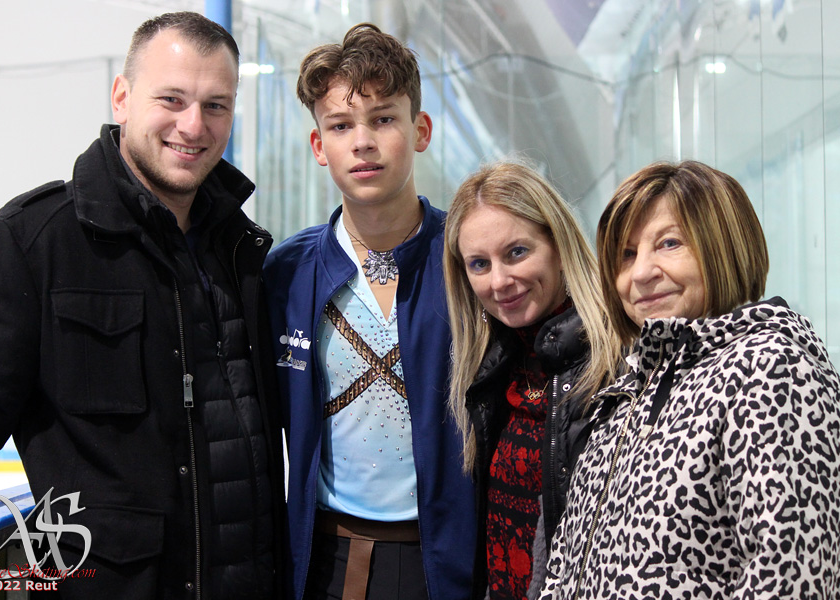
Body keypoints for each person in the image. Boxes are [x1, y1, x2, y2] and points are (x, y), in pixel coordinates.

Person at [0, 12, 284, 599]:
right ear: (122, 97)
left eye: (216, 106)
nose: (193, 125)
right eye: (171, 99)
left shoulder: (242, 250)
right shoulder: (35, 242)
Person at [541, 160, 840, 599]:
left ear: (724, 246)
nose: (641, 273)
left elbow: (792, 575)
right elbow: (565, 564)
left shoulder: (769, 368)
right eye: (626, 254)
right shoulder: (626, 391)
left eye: (669, 243)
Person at [263, 23, 476, 600]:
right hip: (327, 560)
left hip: (451, 559)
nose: (362, 141)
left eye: (383, 119)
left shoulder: (467, 260)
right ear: (318, 146)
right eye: (340, 125)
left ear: (420, 130)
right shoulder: (285, 275)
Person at [442, 162, 621, 600]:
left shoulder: (617, 361)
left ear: (558, 244)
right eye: (479, 264)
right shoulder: (495, 365)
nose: (499, 281)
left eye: (517, 252)